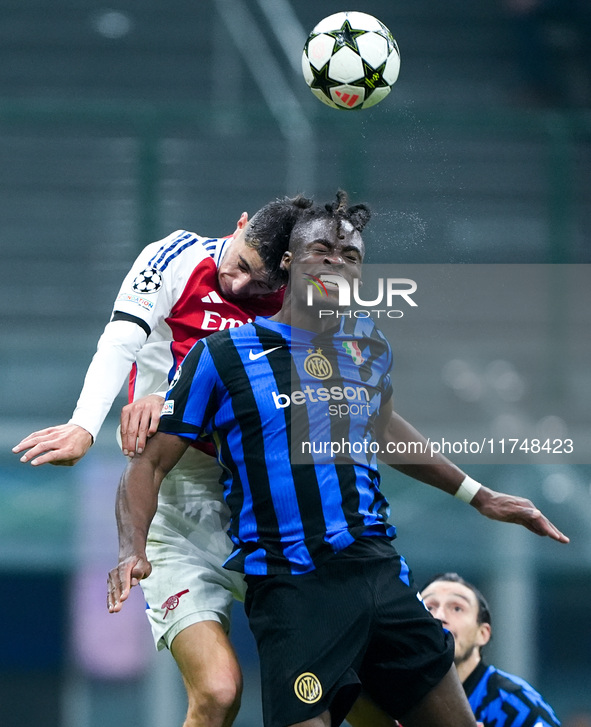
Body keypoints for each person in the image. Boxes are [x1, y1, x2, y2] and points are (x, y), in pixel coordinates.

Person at [107, 190, 568, 727]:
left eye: (350, 257)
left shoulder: (365, 344)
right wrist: (130, 549)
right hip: (293, 588)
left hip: (377, 571)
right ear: (288, 261)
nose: (336, 264)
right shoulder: (225, 355)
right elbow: (149, 463)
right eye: (321, 250)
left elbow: (386, 428)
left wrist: (480, 495)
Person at [13, 196, 307, 727]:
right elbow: (122, 338)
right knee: (218, 694)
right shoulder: (174, 255)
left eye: (258, 283)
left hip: (266, 507)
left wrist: (174, 396)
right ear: (238, 223)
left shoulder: (307, 303)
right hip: (174, 497)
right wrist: (83, 425)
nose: (238, 286)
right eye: (239, 264)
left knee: (337, 690)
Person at [421, 572, 562, 727]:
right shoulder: (397, 699)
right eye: (429, 607)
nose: (439, 616)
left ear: (483, 633)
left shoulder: (513, 701)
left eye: (457, 608)